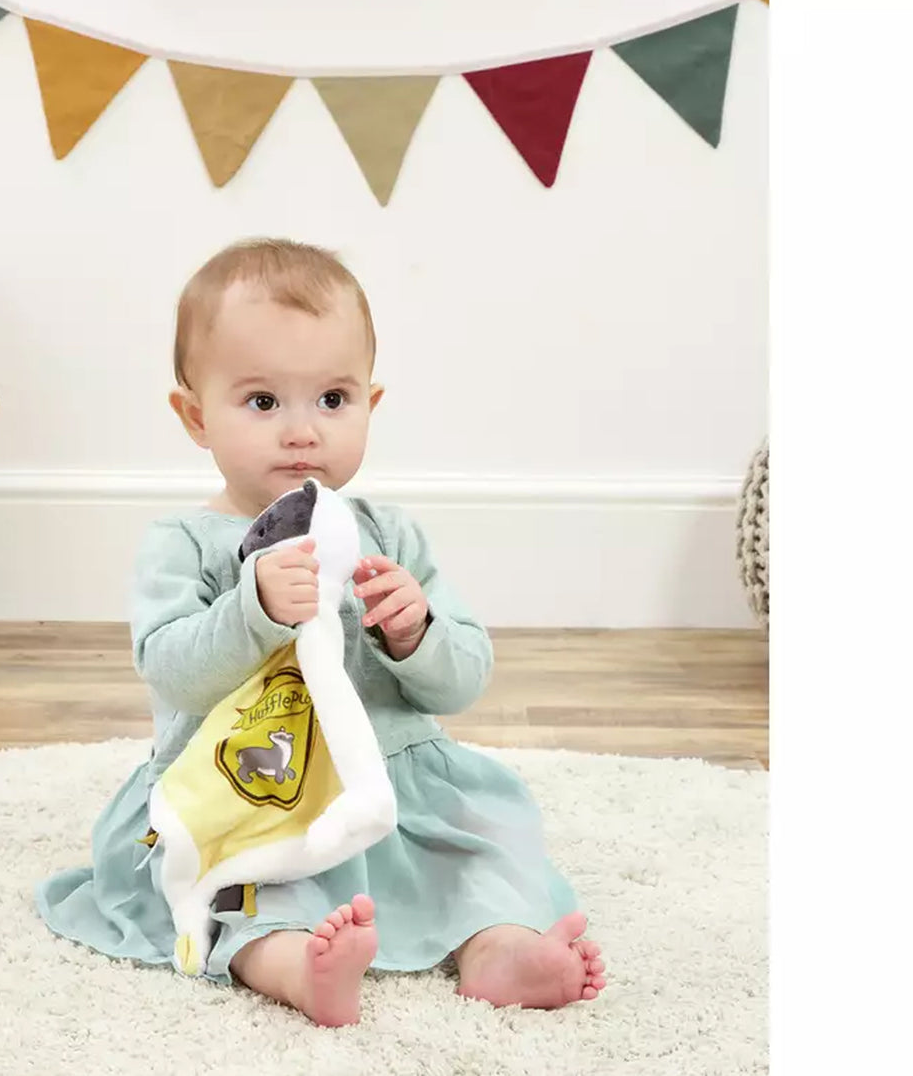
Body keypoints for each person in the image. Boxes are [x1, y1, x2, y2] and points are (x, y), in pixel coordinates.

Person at [37, 238, 607, 1026]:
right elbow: (170, 669)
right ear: (196, 416)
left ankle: (499, 947)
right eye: (264, 402)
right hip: (250, 789)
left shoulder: (389, 535)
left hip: (390, 785)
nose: (303, 431)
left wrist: (415, 633)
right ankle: (298, 966)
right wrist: (253, 610)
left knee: (485, 847)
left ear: (372, 403)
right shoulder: (183, 544)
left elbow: (466, 676)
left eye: (333, 400)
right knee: (240, 888)